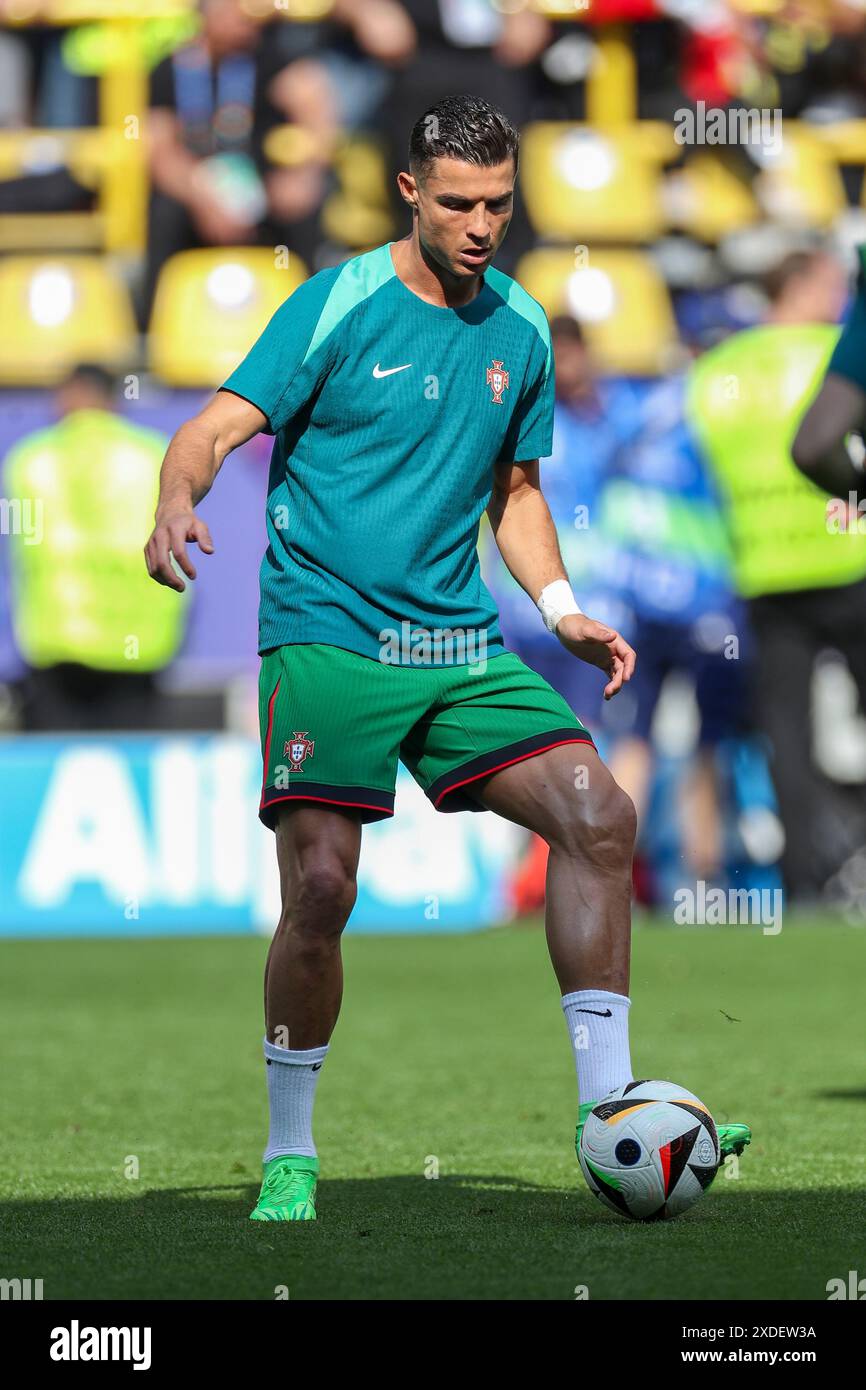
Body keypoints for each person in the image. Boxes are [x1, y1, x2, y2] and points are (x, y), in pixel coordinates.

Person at [145, 94, 750, 1223]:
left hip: (456, 640)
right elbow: (214, 427)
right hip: (326, 634)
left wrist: (560, 605)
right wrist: (177, 497)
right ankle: (290, 1149)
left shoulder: (519, 325)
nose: (482, 225)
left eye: (501, 204)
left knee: (599, 815)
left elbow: (514, 494)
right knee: (320, 888)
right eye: (461, 203)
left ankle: (609, 1109)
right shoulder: (338, 303)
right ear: (411, 193)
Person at [688, 248, 866, 901]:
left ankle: (803, 885)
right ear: (800, 285)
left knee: (787, 734)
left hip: (765, 568)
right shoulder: (838, 353)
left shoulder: (717, 371)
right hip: (850, 558)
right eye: (831, 283)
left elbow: (699, 472)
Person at [4, 364, 187, 730]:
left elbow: (18, 544)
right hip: (140, 643)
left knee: (55, 767)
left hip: (57, 641)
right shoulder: (155, 455)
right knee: (128, 767)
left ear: (65, 397)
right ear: (113, 401)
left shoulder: (28, 460)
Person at [142, 0, 337, 323]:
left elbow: (317, 109)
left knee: (301, 207)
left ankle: (314, 323)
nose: (247, 18)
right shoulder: (171, 68)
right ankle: (152, 328)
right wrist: (204, 200)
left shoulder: (267, 57)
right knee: (164, 213)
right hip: (197, 190)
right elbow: (159, 150)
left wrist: (305, 174)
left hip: (258, 185)